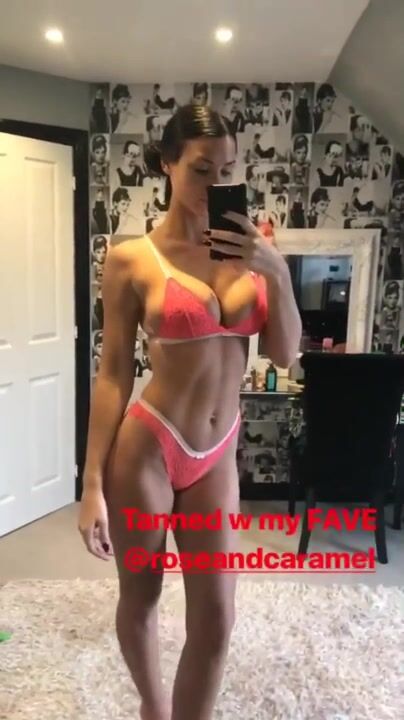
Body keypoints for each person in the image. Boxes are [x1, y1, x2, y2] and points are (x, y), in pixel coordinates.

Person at [78, 103, 301, 720]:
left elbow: (285, 354)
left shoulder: (252, 251)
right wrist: (91, 484)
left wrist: (277, 273)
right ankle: (153, 707)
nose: (215, 184)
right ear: (167, 164)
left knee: (217, 617)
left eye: (228, 171)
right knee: (142, 596)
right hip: (149, 449)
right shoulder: (131, 259)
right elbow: (113, 373)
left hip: (216, 456)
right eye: (202, 170)